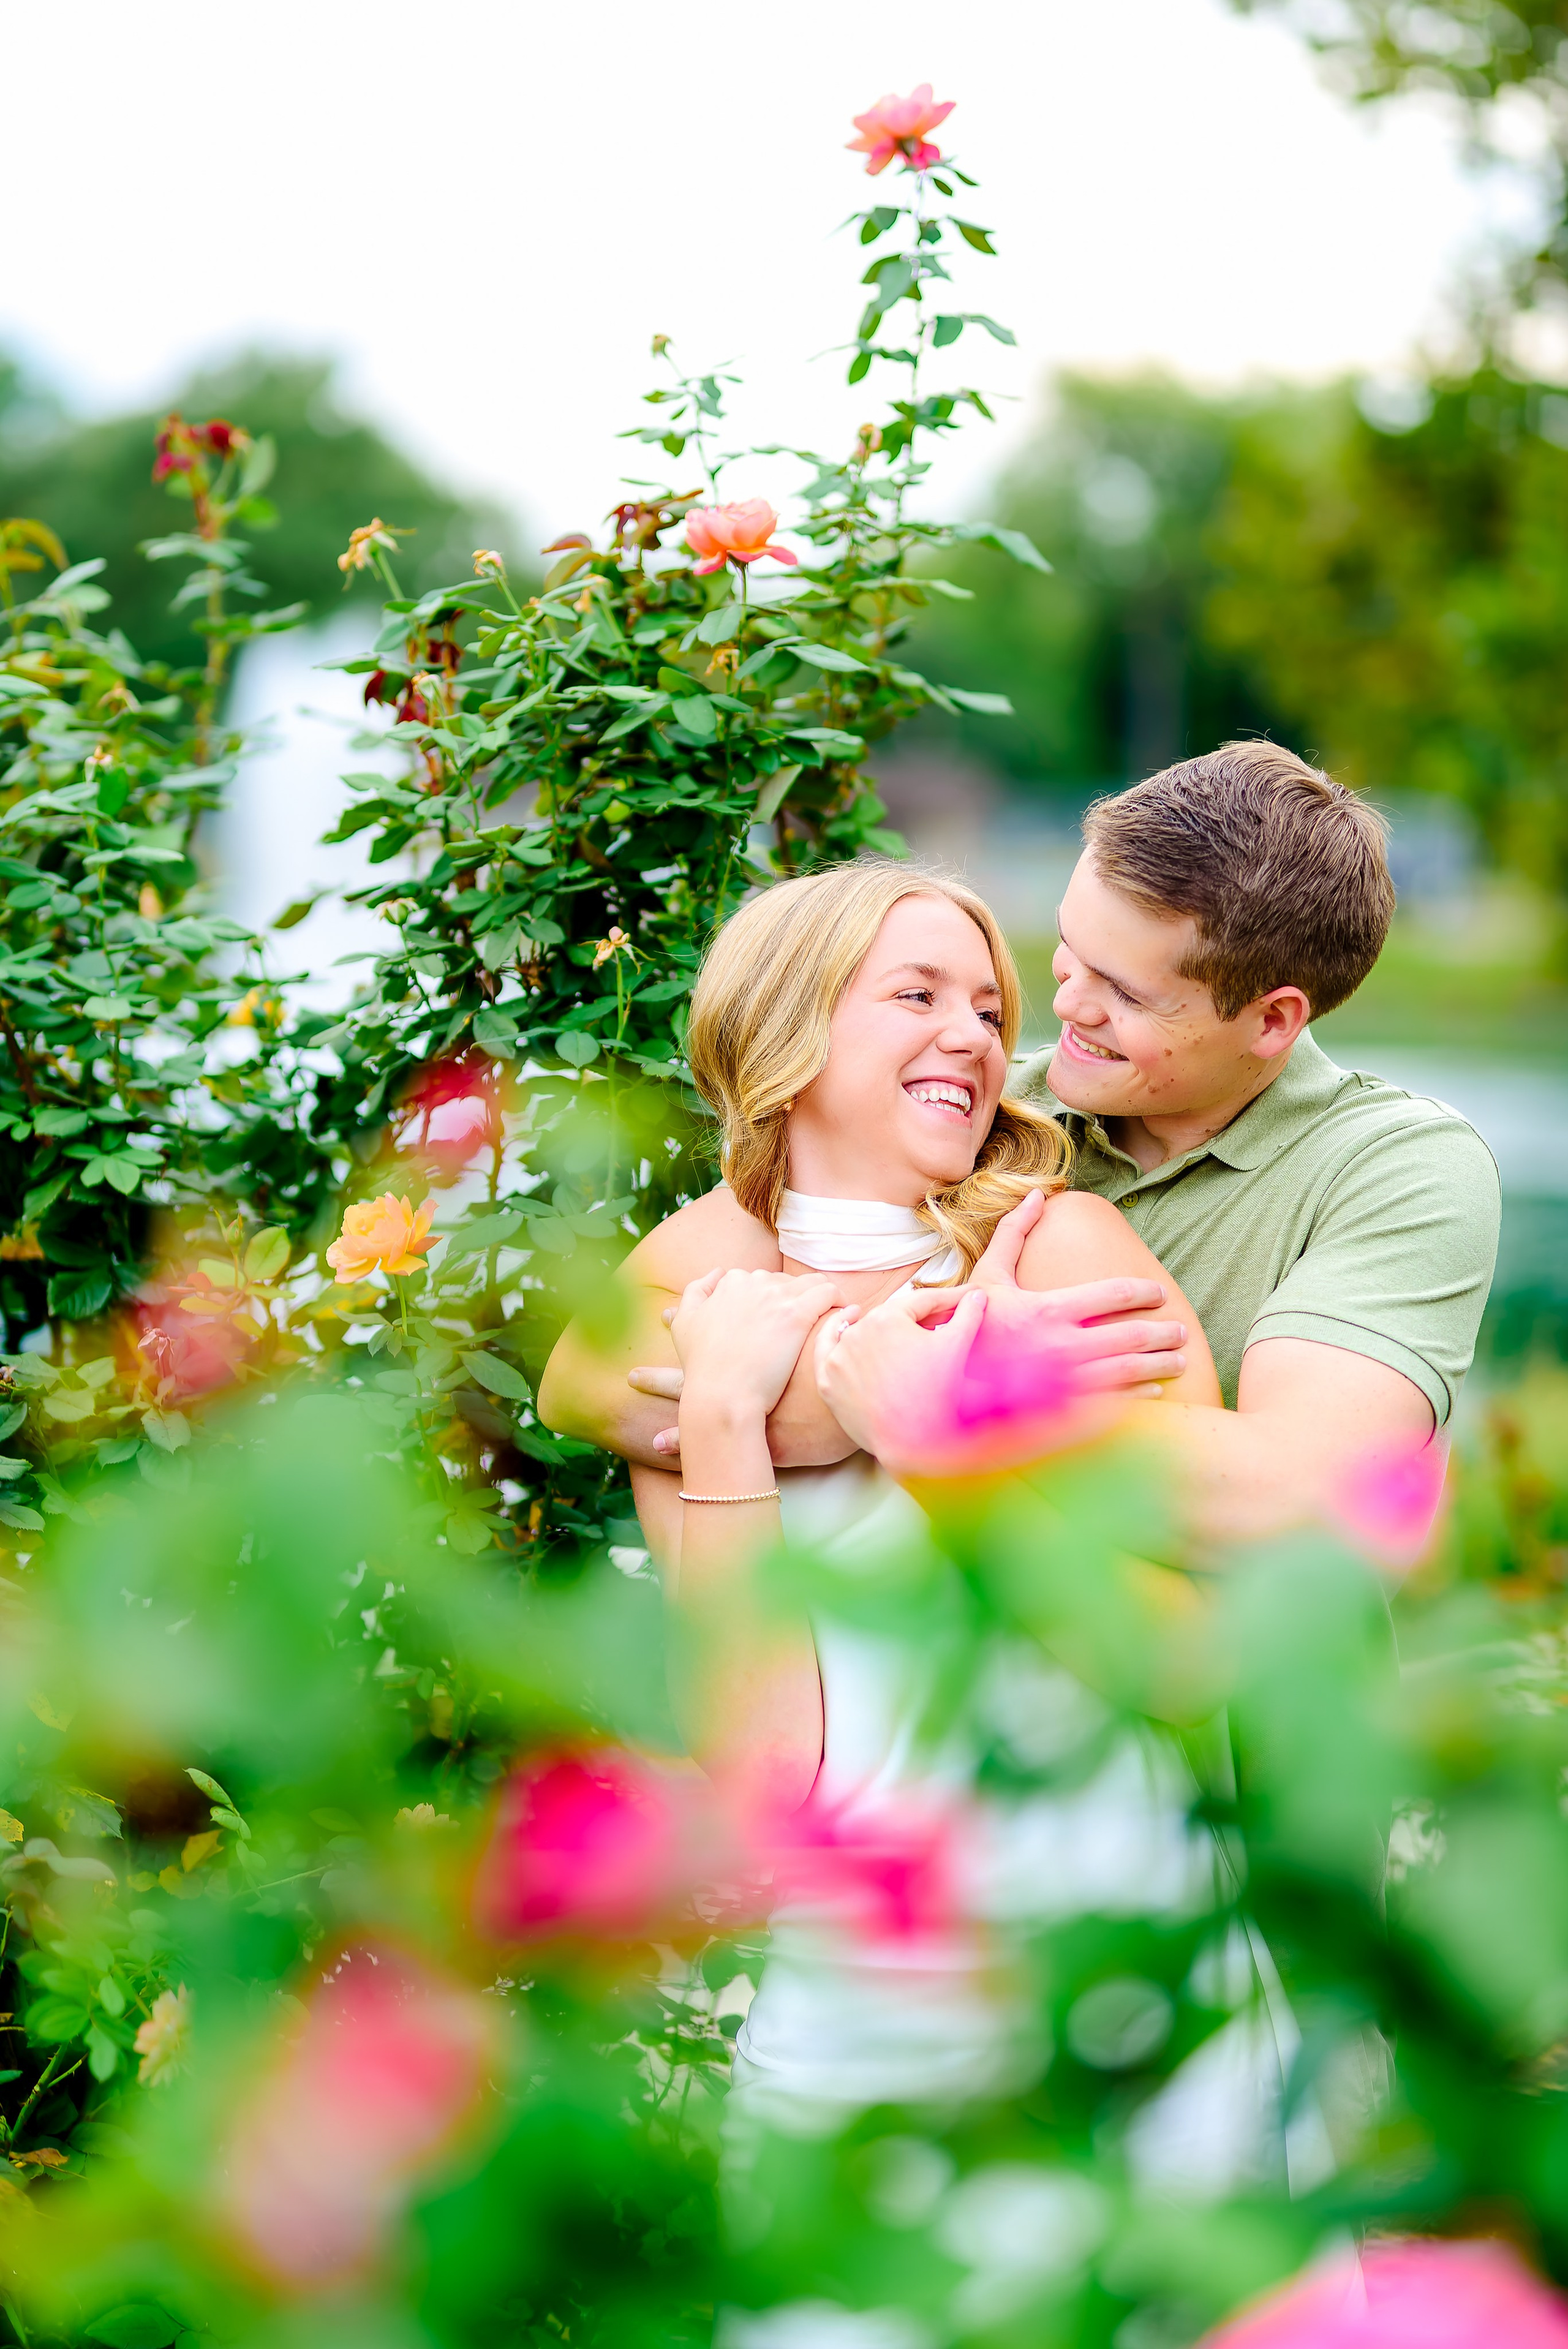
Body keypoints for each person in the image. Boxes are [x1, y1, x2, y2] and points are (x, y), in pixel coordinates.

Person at [809, 741, 1501, 1555]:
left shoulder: (1399, 1170)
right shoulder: (975, 1107)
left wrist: (967, 1396)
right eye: (1072, 948)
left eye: (1126, 992)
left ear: (1271, 1021)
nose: (1066, 1001)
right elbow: (652, 1363)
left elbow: (1297, 1500)